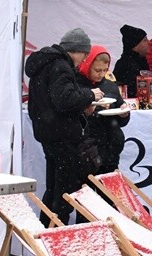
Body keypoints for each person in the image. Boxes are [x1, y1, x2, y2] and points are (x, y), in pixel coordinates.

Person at [25, 27, 103, 224]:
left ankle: (46, 231)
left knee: (53, 189)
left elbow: (53, 101)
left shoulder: (44, 64)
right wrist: (90, 95)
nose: (84, 60)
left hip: (48, 132)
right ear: (75, 50)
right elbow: (64, 100)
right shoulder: (60, 66)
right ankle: (59, 234)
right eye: (84, 55)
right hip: (63, 135)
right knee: (65, 191)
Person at [77, 45, 130, 174]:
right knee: (87, 190)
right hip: (87, 149)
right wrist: (90, 110)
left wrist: (123, 114)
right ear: (87, 65)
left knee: (109, 190)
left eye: (104, 70)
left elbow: (121, 119)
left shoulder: (111, 86)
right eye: (97, 70)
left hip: (111, 149)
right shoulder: (76, 85)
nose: (101, 74)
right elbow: (72, 116)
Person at [112, 24, 149, 99]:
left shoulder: (142, 61)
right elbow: (130, 93)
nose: (149, 42)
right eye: (145, 40)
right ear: (135, 45)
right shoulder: (125, 65)